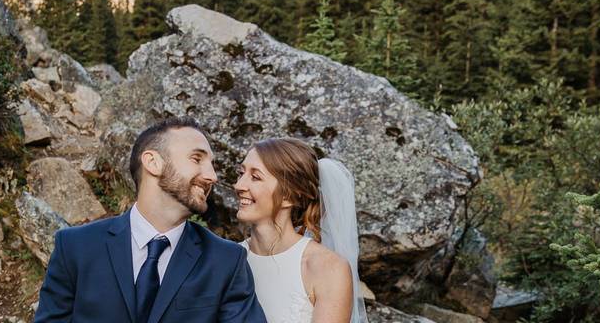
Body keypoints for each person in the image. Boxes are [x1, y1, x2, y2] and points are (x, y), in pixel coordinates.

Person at [34, 116, 267, 323]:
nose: (212, 176)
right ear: (153, 162)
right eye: (197, 159)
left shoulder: (226, 260)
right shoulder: (75, 247)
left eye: (212, 165)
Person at [234, 138, 368, 323]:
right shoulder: (228, 258)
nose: (239, 185)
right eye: (240, 173)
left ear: (289, 196)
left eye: (255, 177)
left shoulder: (327, 268)